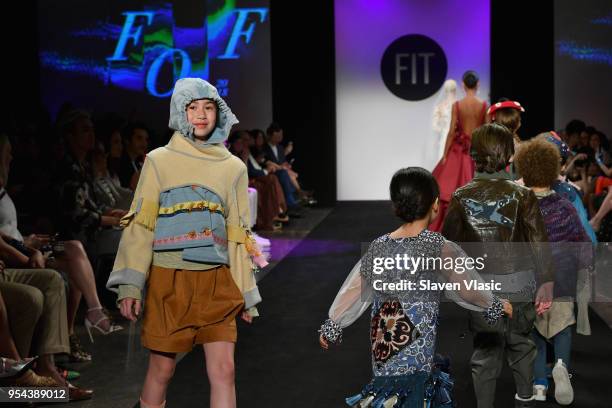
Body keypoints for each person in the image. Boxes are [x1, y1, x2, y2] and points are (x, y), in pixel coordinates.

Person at [106, 78, 264, 408]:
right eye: (193, 107)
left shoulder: (233, 167)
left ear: (219, 112)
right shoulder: (158, 161)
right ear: (181, 112)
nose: (202, 115)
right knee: (162, 370)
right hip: (169, 282)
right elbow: (141, 226)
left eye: (209, 107)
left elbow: (237, 233)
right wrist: (131, 286)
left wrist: (246, 293)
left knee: (225, 370)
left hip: (217, 283)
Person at [319, 167, 510, 407]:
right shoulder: (436, 246)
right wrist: (494, 303)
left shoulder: (379, 246)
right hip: (416, 349)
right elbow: (467, 287)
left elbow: (354, 289)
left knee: (389, 395)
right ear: (435, 204)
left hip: (385, 347)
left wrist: (333, 323)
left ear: (396, 206)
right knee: (413, 395)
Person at [441, 123, 554, 408]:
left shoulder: (461, 197)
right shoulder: (523, 196)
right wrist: (547, 283)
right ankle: (525, 400)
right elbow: (539, 243)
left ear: (473, 155)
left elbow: (448, 247)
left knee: (486, 352)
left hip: (481, 290)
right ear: (510, 156)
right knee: (522, 347)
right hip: (521, 286)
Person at [514, 137, 593, 405]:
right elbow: (583, 245)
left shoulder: (519, 208)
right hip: (562, 280)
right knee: (562, 329)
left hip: (530, 283)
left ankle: (538, 386)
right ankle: (561, 367)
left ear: (523, 170)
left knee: (534, 333)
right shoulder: (565, 206)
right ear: (553, 170)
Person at [430, 70, 488, 232]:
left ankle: (449, 229)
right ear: (477, 84)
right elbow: (486, 131)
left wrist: (445, 155)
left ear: (463, 85)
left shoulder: (458, 105)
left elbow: (450, 131)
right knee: (474, 190)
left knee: (450, 188)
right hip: (476, 152)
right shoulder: (483, 105)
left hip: (458, 151)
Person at [431, 79, 457, 167]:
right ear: (455, 90)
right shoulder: (459, 105)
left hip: (445, 136)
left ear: (445, 90)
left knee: (443, 163)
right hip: (457, 137)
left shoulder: (440, 106)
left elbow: (434, 126)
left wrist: (443, 130)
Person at [118, 122, 150, 190]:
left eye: (146, 139)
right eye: (139, 138)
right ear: (127, 140)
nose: (144, 143)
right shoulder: (121, 164)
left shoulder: (138, 163)